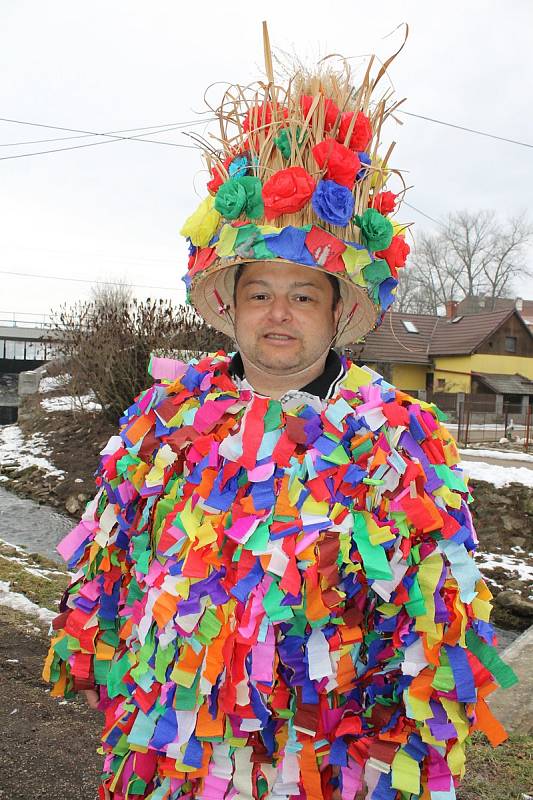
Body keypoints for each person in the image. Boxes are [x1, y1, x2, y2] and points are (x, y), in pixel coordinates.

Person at [43, 24, 516, 800]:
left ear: (337, 313)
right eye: (259, 292)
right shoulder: (162, 418)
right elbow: (112, 571)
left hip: (330, 766)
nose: (278, 314)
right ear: (228, 305)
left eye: (303, 294)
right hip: (177, 755)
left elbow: (439, 627)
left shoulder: (398, 433)